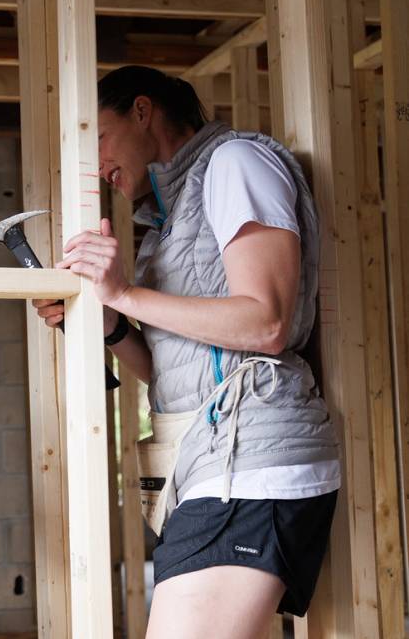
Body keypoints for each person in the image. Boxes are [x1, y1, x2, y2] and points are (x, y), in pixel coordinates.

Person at [34, 65, 340, 639]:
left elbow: (266, 322)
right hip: (209, 459)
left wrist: (126, 292)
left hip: (252, 456)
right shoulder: (165, 225)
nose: (97, 165)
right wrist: (112, 324)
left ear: (143, 112)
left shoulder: (234, 165)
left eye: (98, 137)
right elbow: (171, 370)